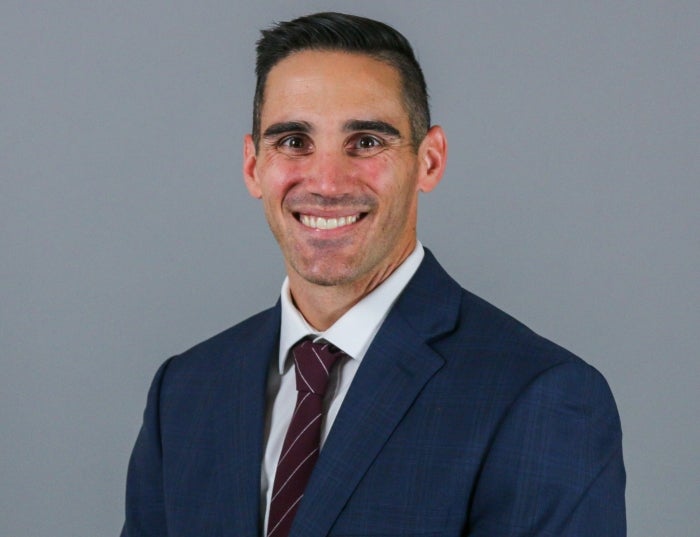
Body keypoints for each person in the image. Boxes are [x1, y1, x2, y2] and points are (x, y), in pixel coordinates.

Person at [121, 12, 626, 537]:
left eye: (365, 141)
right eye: (293, 141)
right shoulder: (185, 392)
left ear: (429, 161)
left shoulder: (540, 398)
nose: (326, 182)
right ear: (253, 167)